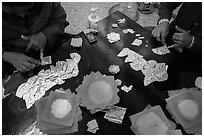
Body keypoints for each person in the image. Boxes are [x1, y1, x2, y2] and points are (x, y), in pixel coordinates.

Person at [2, 2, 69, 76]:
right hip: (10, 59)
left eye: (28, 10)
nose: (22, 15)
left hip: (50, 46)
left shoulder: (48, 4)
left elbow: (60, 20)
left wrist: (45, 34)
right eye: (12, 13)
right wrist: (8, 56)